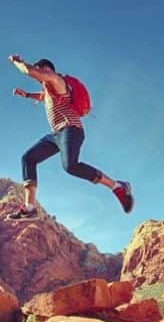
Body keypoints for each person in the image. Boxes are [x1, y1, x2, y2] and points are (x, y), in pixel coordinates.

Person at [7, 54, 133, 220]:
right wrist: (27, 95)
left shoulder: (57, 79)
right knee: (28, 158)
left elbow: (29, 71)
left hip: (71, 129)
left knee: (71, 166)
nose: (39, 76)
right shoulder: (49, 89)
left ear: (47, 69)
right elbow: (43, 96)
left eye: (40, 71)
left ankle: (117, 186)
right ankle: (30, 207)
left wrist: (18, 62)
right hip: (56, 135)